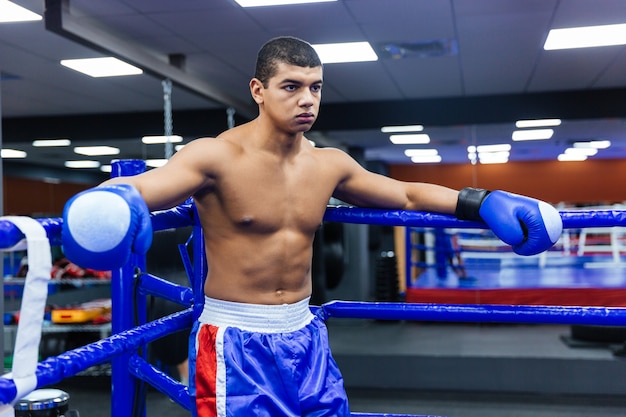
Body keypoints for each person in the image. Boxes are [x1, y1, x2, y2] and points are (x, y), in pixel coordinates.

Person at [61, 36, 563, 417]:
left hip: (306, 333)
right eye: (292, 87)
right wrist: (111, 205)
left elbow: (406, 194)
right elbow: (148, 189)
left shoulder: (329, 164)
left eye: (315, 87)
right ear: (259, 90)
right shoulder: (215, 155)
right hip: (237, 338)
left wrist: (482, 201)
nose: (307, 99)